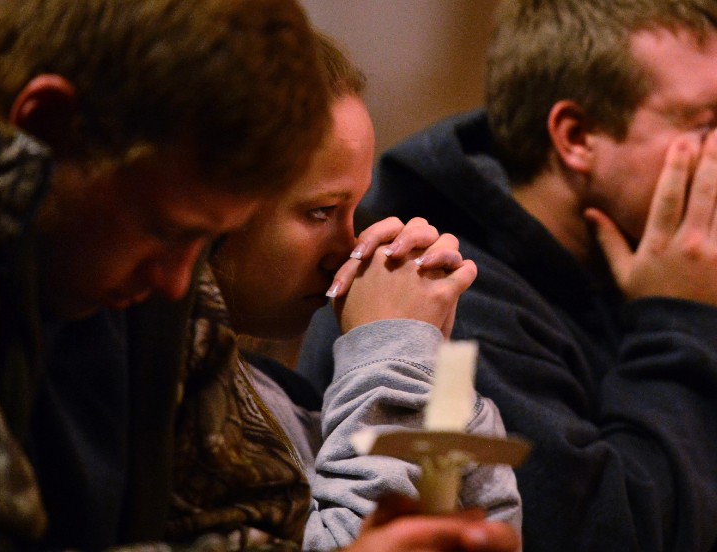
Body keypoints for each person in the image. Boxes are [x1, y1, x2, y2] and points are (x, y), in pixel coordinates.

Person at [0, 2, 518, 551]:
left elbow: (244, 527)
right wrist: (396, 356)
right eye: (171, 231)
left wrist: (436, 370)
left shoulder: (130, 284)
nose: (178, 283)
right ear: (45, 126)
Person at [299, 0, 717, 549]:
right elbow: (602, 536)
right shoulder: (447, 295)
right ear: (575, 137)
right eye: (708, 122)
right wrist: (683, 325)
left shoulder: (657, 261)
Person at [199, 33, 521, 550]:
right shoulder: (166, 399)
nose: (348, 247)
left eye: (355, 210)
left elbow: (486, 530)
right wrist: (390, 351)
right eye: (320, 212)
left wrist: (429, 366)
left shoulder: (273, 397)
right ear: (216, 205)